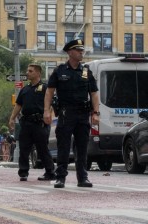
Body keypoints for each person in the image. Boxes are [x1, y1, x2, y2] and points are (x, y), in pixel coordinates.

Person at [43, 39, 99, 189]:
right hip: (66, 113)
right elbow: (49, 92)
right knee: (63, 146)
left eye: (82, 50)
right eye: (78, 50)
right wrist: (46, 111)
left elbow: (94, 93)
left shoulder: (86, 72)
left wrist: (96, 113)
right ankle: (60, 177)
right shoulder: (59, 71)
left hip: (82, 113)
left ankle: (83, 178)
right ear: (70, 52)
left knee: (82, 147)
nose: (82, 53)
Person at [8, 64, 56, 181]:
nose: (27, 73)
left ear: (38, 73)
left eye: (30, 71)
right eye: (27, 70)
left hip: (40, 122)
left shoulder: (45, 87)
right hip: (26, 123)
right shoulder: (25, 89)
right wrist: (12, 118)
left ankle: (50, 172)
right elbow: (18, 105)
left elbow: (51, 102)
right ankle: (23, 172)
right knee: (24, 148)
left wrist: (49, 114)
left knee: (42, 148)